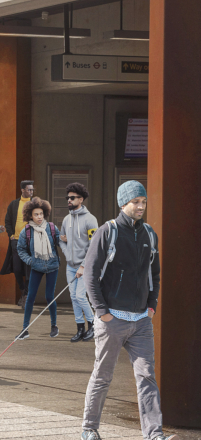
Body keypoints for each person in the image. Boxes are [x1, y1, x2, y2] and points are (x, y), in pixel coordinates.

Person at [80, 181, 168, 440]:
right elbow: (90, 275)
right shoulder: (108, 231)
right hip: (112, 320)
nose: (141, 206)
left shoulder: (149, 234)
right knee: (102, 376)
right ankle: (88, 429)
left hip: (141, 320)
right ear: (123, 203)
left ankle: (154, 434)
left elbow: (155, 274)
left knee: (147, 378)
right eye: (135, 202)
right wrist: (101, 312)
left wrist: (151, 306)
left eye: (143, 202)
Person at [16, 196, 62, 339]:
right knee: (30, 297)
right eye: (36, 214)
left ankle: (54, 326)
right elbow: (20, 249)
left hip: (52, 265)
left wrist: (66, 240)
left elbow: (61, 242)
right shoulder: (26, 231)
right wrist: (31, 261)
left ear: (45, 213)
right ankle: (25, 329)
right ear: (30, 215)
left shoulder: (52, 228)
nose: (39, 217)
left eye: (41, 214)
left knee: (49, 296)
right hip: (36, 266)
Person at [60, 182, 99, 343]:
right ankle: (80, 329)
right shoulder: (66, 219)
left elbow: (94, 245)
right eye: (67, 198)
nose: (69, 200)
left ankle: (94, 325)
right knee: (73, 298)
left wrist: (83, 266)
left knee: (80, 296)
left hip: (86, 266)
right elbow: (61, 239)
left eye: (72, 198)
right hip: (70, 266)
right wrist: (67, 252)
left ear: (81, 199)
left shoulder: (90, 219)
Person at [1, 179, 35, 290]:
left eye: (32, 189)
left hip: (30, 241)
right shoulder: (14, 204)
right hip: (16, 240)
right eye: (29, 189)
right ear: (22, 190)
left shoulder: (35, 204)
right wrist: (11, 235)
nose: (31, 191)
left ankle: (26, 295)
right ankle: (23, 289)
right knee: (17, 268)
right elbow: (7, 221)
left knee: (29, 268)